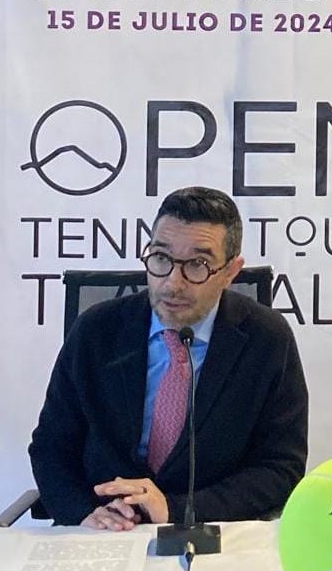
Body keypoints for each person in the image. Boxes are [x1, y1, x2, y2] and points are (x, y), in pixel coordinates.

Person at [29, 187, 308, 529]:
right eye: (161, 258)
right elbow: (51, 445)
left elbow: (281, 467)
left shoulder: (266, 339)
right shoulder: (96, 331)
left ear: (231, 272)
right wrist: (82, 514)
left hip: (211, 532)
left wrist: (178, 510)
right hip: (103, 532)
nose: (173, 283)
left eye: (198, 264)